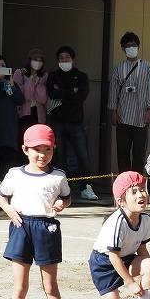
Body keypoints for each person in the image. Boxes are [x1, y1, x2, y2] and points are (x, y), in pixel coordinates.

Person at [0, 124, 71, 299]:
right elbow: (1, 197)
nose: (42, 155)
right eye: (37, 149)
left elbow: (67, 197)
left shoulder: (58, 176)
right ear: (25, 149)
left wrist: (62, 203)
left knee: (50, 285)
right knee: (20, 285)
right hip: (21, 226)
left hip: (46, 227)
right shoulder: (14, 174)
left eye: (47, 149)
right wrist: (9, 211)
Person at [89, 170, 150, 299]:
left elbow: (142, 248)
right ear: (121, 201)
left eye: (142, 189)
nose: (141, 195)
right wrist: (131, 283)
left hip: (126, 258)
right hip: (104, 263)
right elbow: (113, 257)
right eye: (133, 192)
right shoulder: (117, 221)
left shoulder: (145, 219)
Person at [46, 45, 96, 200]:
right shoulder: (53, 76)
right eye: (61, 58)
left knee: (83, 156)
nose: (64, 60)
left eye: (67, 57)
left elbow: (81, 96)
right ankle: (60, 189)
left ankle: (86, 187)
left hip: (76, 122)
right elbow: (51, 93)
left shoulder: (81, 76)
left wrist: (62, 92)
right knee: (59, 156)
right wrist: (71, 91)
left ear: (73, 59)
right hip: (57, 122)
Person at [109, 32, 150, 174]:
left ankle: (138, 183)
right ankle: (125, 183)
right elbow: (113, 91)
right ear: (123, 49)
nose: (131, 48)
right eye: (128, 45)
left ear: (138, 47)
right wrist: (113, 111)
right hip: (122, 118)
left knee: (139, 155)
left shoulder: (147, 67)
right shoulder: (119, 68)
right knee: (122, 154)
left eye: (134, 45)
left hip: (141, 118)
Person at [12, 48, 49, 135]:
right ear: (29, 60)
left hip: (39, 115)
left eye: (40, 60)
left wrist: (37, 85)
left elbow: (43, 98)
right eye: (35, 59)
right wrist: (31, 82)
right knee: (24, 137)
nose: (38, 63)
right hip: (23, 114)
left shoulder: (44, 76)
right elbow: (21, 95)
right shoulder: (20, 73)